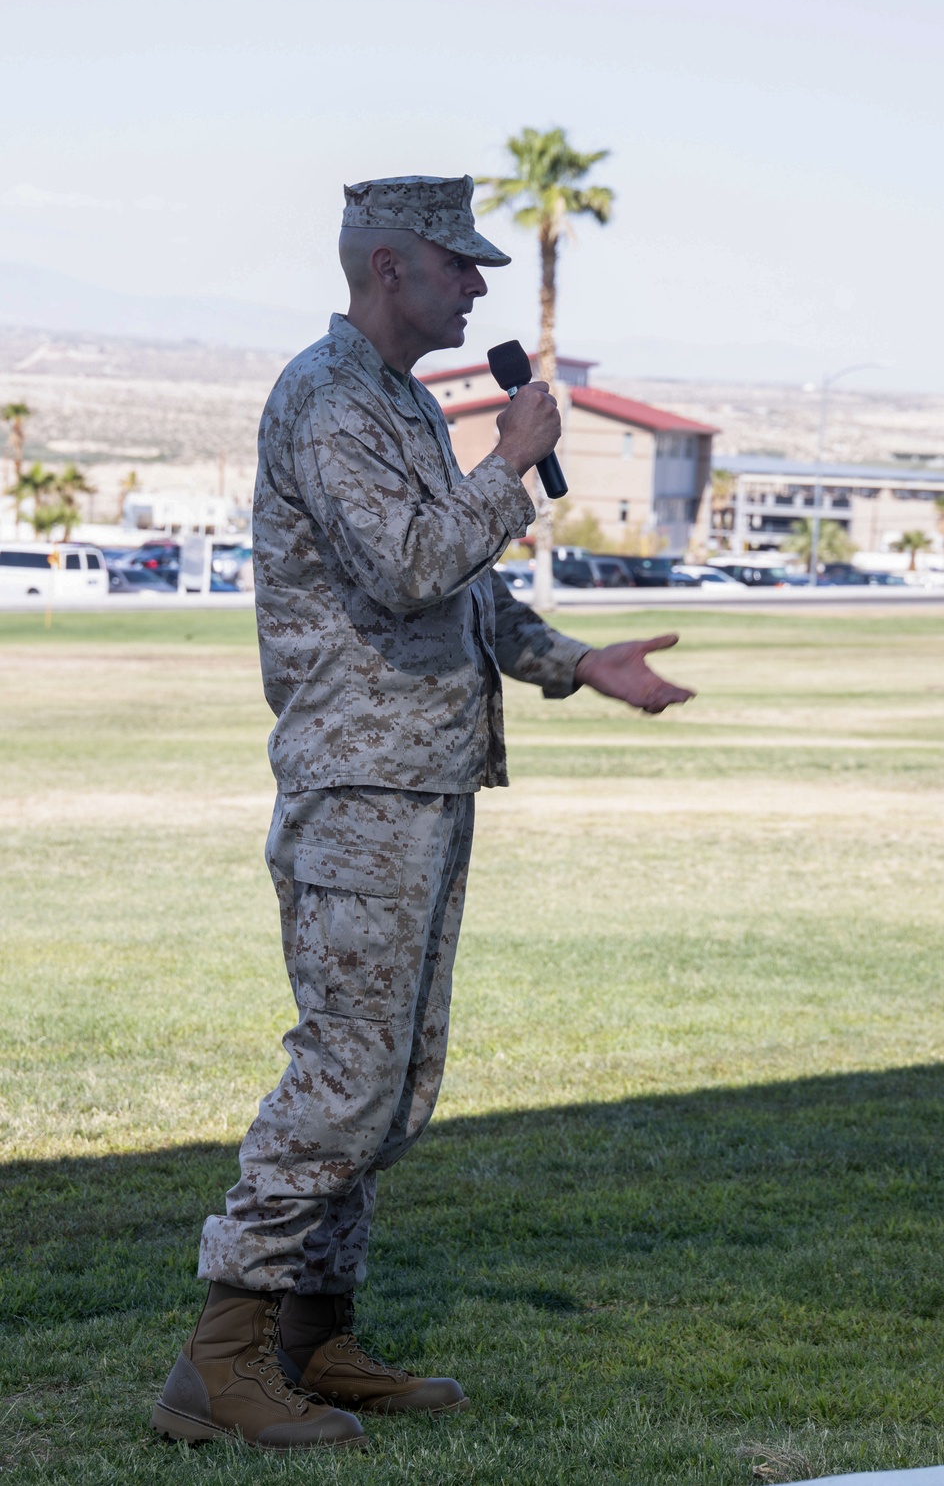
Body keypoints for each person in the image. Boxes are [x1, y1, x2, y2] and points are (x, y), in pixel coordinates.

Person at [152, 174, 695, 1453]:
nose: (480, 284)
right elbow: (408, 560)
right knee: (344, 1075)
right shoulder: (329, 397)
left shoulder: (393, 401)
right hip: (358, 785)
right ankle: (216, 1363)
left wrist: (573, 662)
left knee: (392, 1084)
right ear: (389, 266)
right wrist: (510, 462)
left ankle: (310, 1341)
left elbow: (456, 592)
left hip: (422, 780)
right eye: (460, 264)